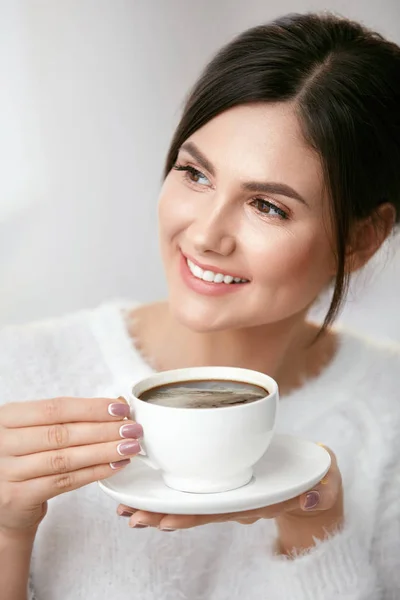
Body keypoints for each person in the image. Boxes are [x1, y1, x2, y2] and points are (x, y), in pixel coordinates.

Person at [1, 11, 400, 600]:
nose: (207, 234)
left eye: (268, 206)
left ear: (360, 239)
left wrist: (314, 524)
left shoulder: (388, 412)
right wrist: (7, 527)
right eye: (194, 174)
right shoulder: (20, 373)